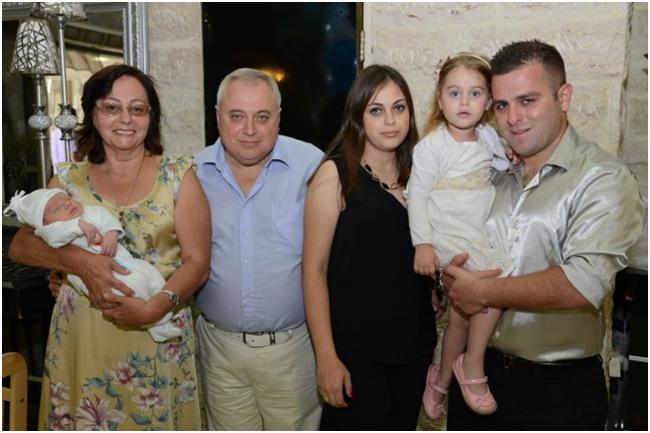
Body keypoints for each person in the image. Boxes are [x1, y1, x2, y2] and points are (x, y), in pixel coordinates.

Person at [444, 40, 646, 430]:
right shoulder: (491, 172)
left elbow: (585, 282)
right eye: (502, 105)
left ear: (563, 97)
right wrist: (448, 281)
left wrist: (482, 292)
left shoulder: (602, 178)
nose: (513, 118)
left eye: (527, 100)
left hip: (556, 392)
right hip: (474, 377)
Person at [8, 64, 211, 430]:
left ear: (151, 116)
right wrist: (80, 263)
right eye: (111, 107)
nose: (125, 119)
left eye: (137, 108)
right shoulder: (68, 179)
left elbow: (198, 263)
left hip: (157, 332)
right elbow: (20, 246)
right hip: (82, 340)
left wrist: (153, 309)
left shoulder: (179, 176)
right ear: (93, 114)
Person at [302, 64, 437, 430]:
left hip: (414, 347)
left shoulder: (422, 175)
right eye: (376, 110)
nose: (390, 121)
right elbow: (313, 270)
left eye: (399, 108)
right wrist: (326, 358)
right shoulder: (334, 175)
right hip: (354, 351)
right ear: (358, 116)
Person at [194, 67, 324, 430]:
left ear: (278, 117)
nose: (249, 129)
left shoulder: (313, 166)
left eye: (262, 117)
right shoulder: (194, 173)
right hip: (219, 351)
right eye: (237, 116)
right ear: (218, 116)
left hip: (293, 351)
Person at [406, 52, 514, 419]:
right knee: (492, 290)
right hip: (447, 229)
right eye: (454, 93)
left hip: (474, 228)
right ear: (440, 99)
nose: (464, 102)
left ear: (488, 102)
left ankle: (440, 379)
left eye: (474, 93)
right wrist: (422, 244)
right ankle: (473, 362)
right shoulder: (432, 146)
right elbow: (417, 195)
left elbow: (500, 165)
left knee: (462, 316)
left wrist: (510, 157)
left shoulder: (488, 137)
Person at [4, 188, 183, 342]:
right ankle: (155, 325)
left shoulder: (89, 212)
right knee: (134, 287)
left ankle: (162, 316)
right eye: (57, 208)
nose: (66, 204)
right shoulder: (49, 230)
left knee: (151, 273)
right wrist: (78, 225)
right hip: (98, 281)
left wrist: (111, 235)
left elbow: (107, 219)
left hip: (126, 262)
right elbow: (50, 238)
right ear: (43, 223)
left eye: (67, 198)